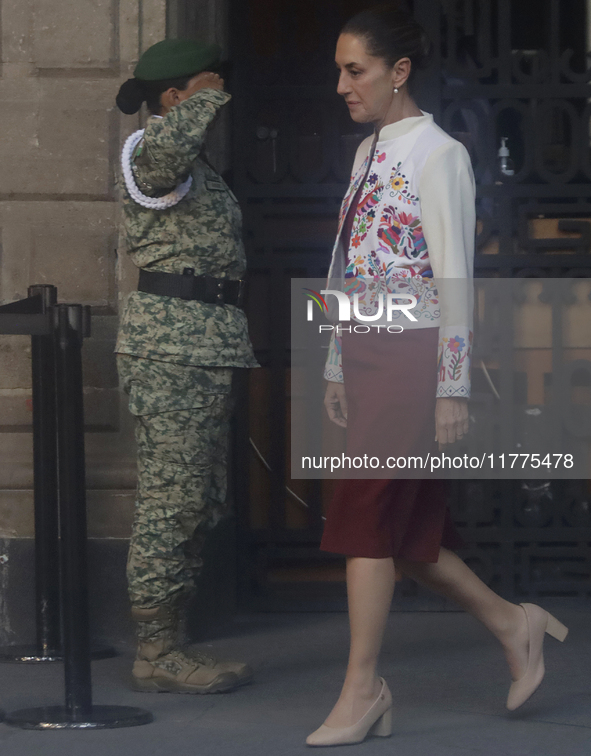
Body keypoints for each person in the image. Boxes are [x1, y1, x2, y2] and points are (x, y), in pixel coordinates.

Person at [306, 6, 568, 747]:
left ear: (398, 71)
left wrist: (451, 384)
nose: (340, 84)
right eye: (338, 69)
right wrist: (333, 357)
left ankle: (362, 689)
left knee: (362, 517)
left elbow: (455, 277)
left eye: (354, 70)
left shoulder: (438, 153)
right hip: (363, 351)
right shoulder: (366, 154)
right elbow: (346, 264)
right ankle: (513, 625)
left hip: (413, 356)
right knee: (408, 540)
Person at [114, 38, 258, 694]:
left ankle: (171, 640)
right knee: (170, 501)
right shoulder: (151, 153)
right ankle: (155, 651)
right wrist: (202, 96)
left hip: (204, 351)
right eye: (207, 90)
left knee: (197, 500)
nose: (219, 101)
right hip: (171, 355)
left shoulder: (197, 165)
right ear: (178, 98)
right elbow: (164, 156)